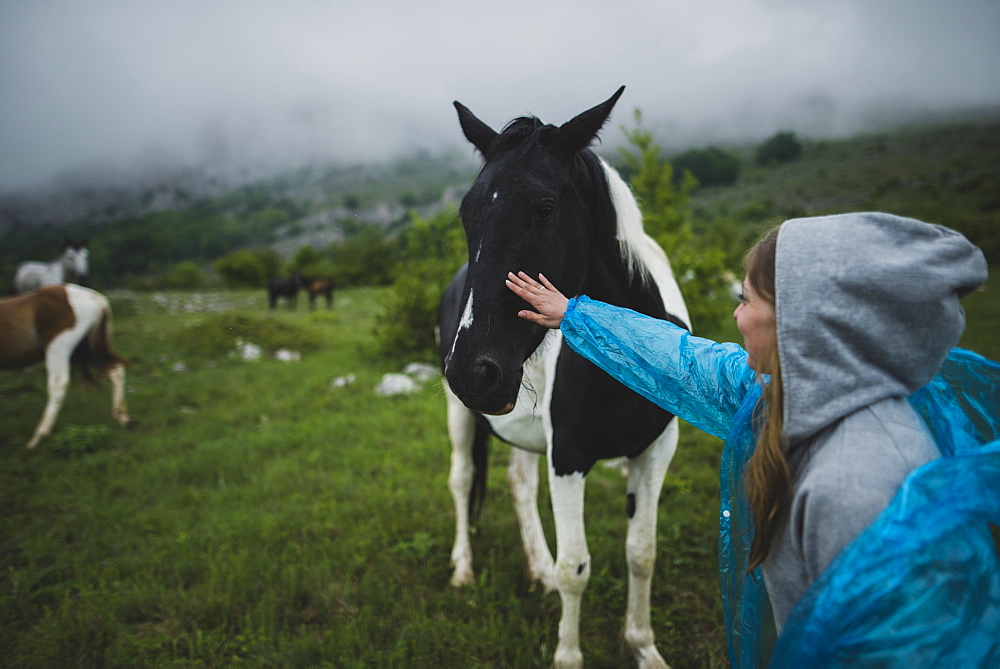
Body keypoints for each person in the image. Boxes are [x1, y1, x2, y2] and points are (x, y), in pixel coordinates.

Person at [505, 212, 999, 666]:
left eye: (746, 300)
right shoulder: (786, 393)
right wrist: (575, 314)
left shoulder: (855, 486)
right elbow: (684, 360)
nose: (736, 317)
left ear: (804, 322)